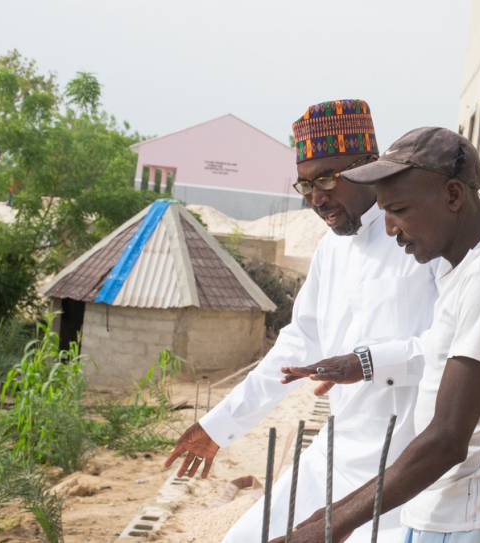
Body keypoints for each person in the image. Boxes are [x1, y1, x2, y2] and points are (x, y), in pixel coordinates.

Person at [164, 99, 439, 543]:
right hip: (336, 452)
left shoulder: (420, 239)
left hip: (404, 466)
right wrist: (219, 426)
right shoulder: (331, 250)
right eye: (305, 185)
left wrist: (366, 362)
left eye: (327, 179)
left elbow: (451, 349)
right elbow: (297, 346)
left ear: (368, 166)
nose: (316, 198)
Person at [275, 127, 480, 543]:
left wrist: (336, 522)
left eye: (400, 210)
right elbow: (439, 354)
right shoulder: (470, 272)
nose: (389, 229)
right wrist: (365, 363)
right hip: (462, 513)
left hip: (472, 522)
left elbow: (445, 439)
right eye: (385, 212)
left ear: (453, 196)